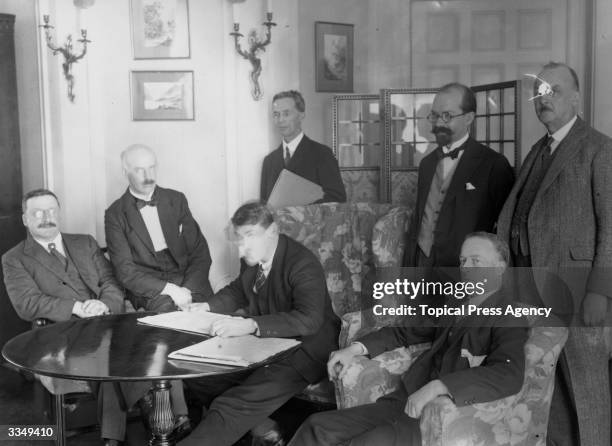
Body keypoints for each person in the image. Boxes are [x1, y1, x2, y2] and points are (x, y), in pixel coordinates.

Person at [288, 232, 529, 446]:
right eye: (463, 261)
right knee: (316, 426)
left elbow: (508, 374)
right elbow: (405, 331)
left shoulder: (509, 316)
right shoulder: (454, 303)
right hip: (401, 402)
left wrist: (439, 387)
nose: (466, 268)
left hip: (435, 418)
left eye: (476, 261)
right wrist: (354, 349)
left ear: (500, 267)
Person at [1, 189, 190, 445]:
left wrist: (103, 304)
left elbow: (110, 281)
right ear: (25, 219)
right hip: (63, 334)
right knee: (110, 357)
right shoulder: (14, 259)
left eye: (51, 211)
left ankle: (118, 435)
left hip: (109, 320)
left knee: (156, 341)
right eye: (37, 212)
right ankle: (158, 411)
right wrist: (78, 307)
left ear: (59, 213)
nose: (46, 217)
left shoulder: (85, 242)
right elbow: (27, 303)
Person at [497, 61, 612, 446]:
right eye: (539, 93)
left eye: (554, 91)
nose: (543, 99)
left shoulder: (598, 148)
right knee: (551, 388)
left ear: (576, 97)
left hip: (579, 292)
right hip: (533, 289)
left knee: (586, 384)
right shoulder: (538, 150)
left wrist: (600, 291)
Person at [179, 202, 340, 446]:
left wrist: (251, 325)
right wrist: (207, 307)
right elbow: (238, 290)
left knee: (231, 403)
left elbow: (310, 319)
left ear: (272, 231)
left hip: (306, 350)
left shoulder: (302, 263)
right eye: (239, 241)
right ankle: (265, 429)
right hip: (269, 343)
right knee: (199, 374)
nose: (242, 250)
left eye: (248, 238)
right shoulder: (253, 259)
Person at [403, 83, 514, 269]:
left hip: (465, 269)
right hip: (422, 267)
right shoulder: (427, 164)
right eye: (435, 116)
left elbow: (504, 230)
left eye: (447, 116)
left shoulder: (493, 165)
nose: (438, 123)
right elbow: (420, 222)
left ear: (469, 117)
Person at [105, 144, 214, 312]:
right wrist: (170, 290)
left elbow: (200, 252)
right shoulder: (115, 214)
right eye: (140, 170)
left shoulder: (176, 199)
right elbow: (125, 271)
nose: (148, 176)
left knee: (214, 318)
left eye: (152, 168)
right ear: (125, 172)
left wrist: (187, 289)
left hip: (187, 278)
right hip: (150, 286)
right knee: (169, 321)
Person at [260, 90, 347, 203]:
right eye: (276, 114)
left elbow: (338, 199)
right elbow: (264, 208)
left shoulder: (323, 154)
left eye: (286, 114)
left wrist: (300, 211)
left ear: (301, 115)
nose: (280, 120)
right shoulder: (269, 161)